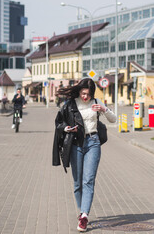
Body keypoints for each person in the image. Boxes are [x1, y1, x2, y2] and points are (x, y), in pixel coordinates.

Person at [52, 78, 116, 232]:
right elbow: (59, 122)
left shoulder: (96, 101)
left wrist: (103, 109)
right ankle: (82, 211)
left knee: (88, 180)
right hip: (76, 144)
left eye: (87, 94)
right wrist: (67, 128)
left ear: (92, 93)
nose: (85, 97)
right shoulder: (71, 103)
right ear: (79, 91)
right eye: (82, 93)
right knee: (77, 182)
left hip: (93, 142)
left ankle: (84, 215)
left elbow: (113, 120)